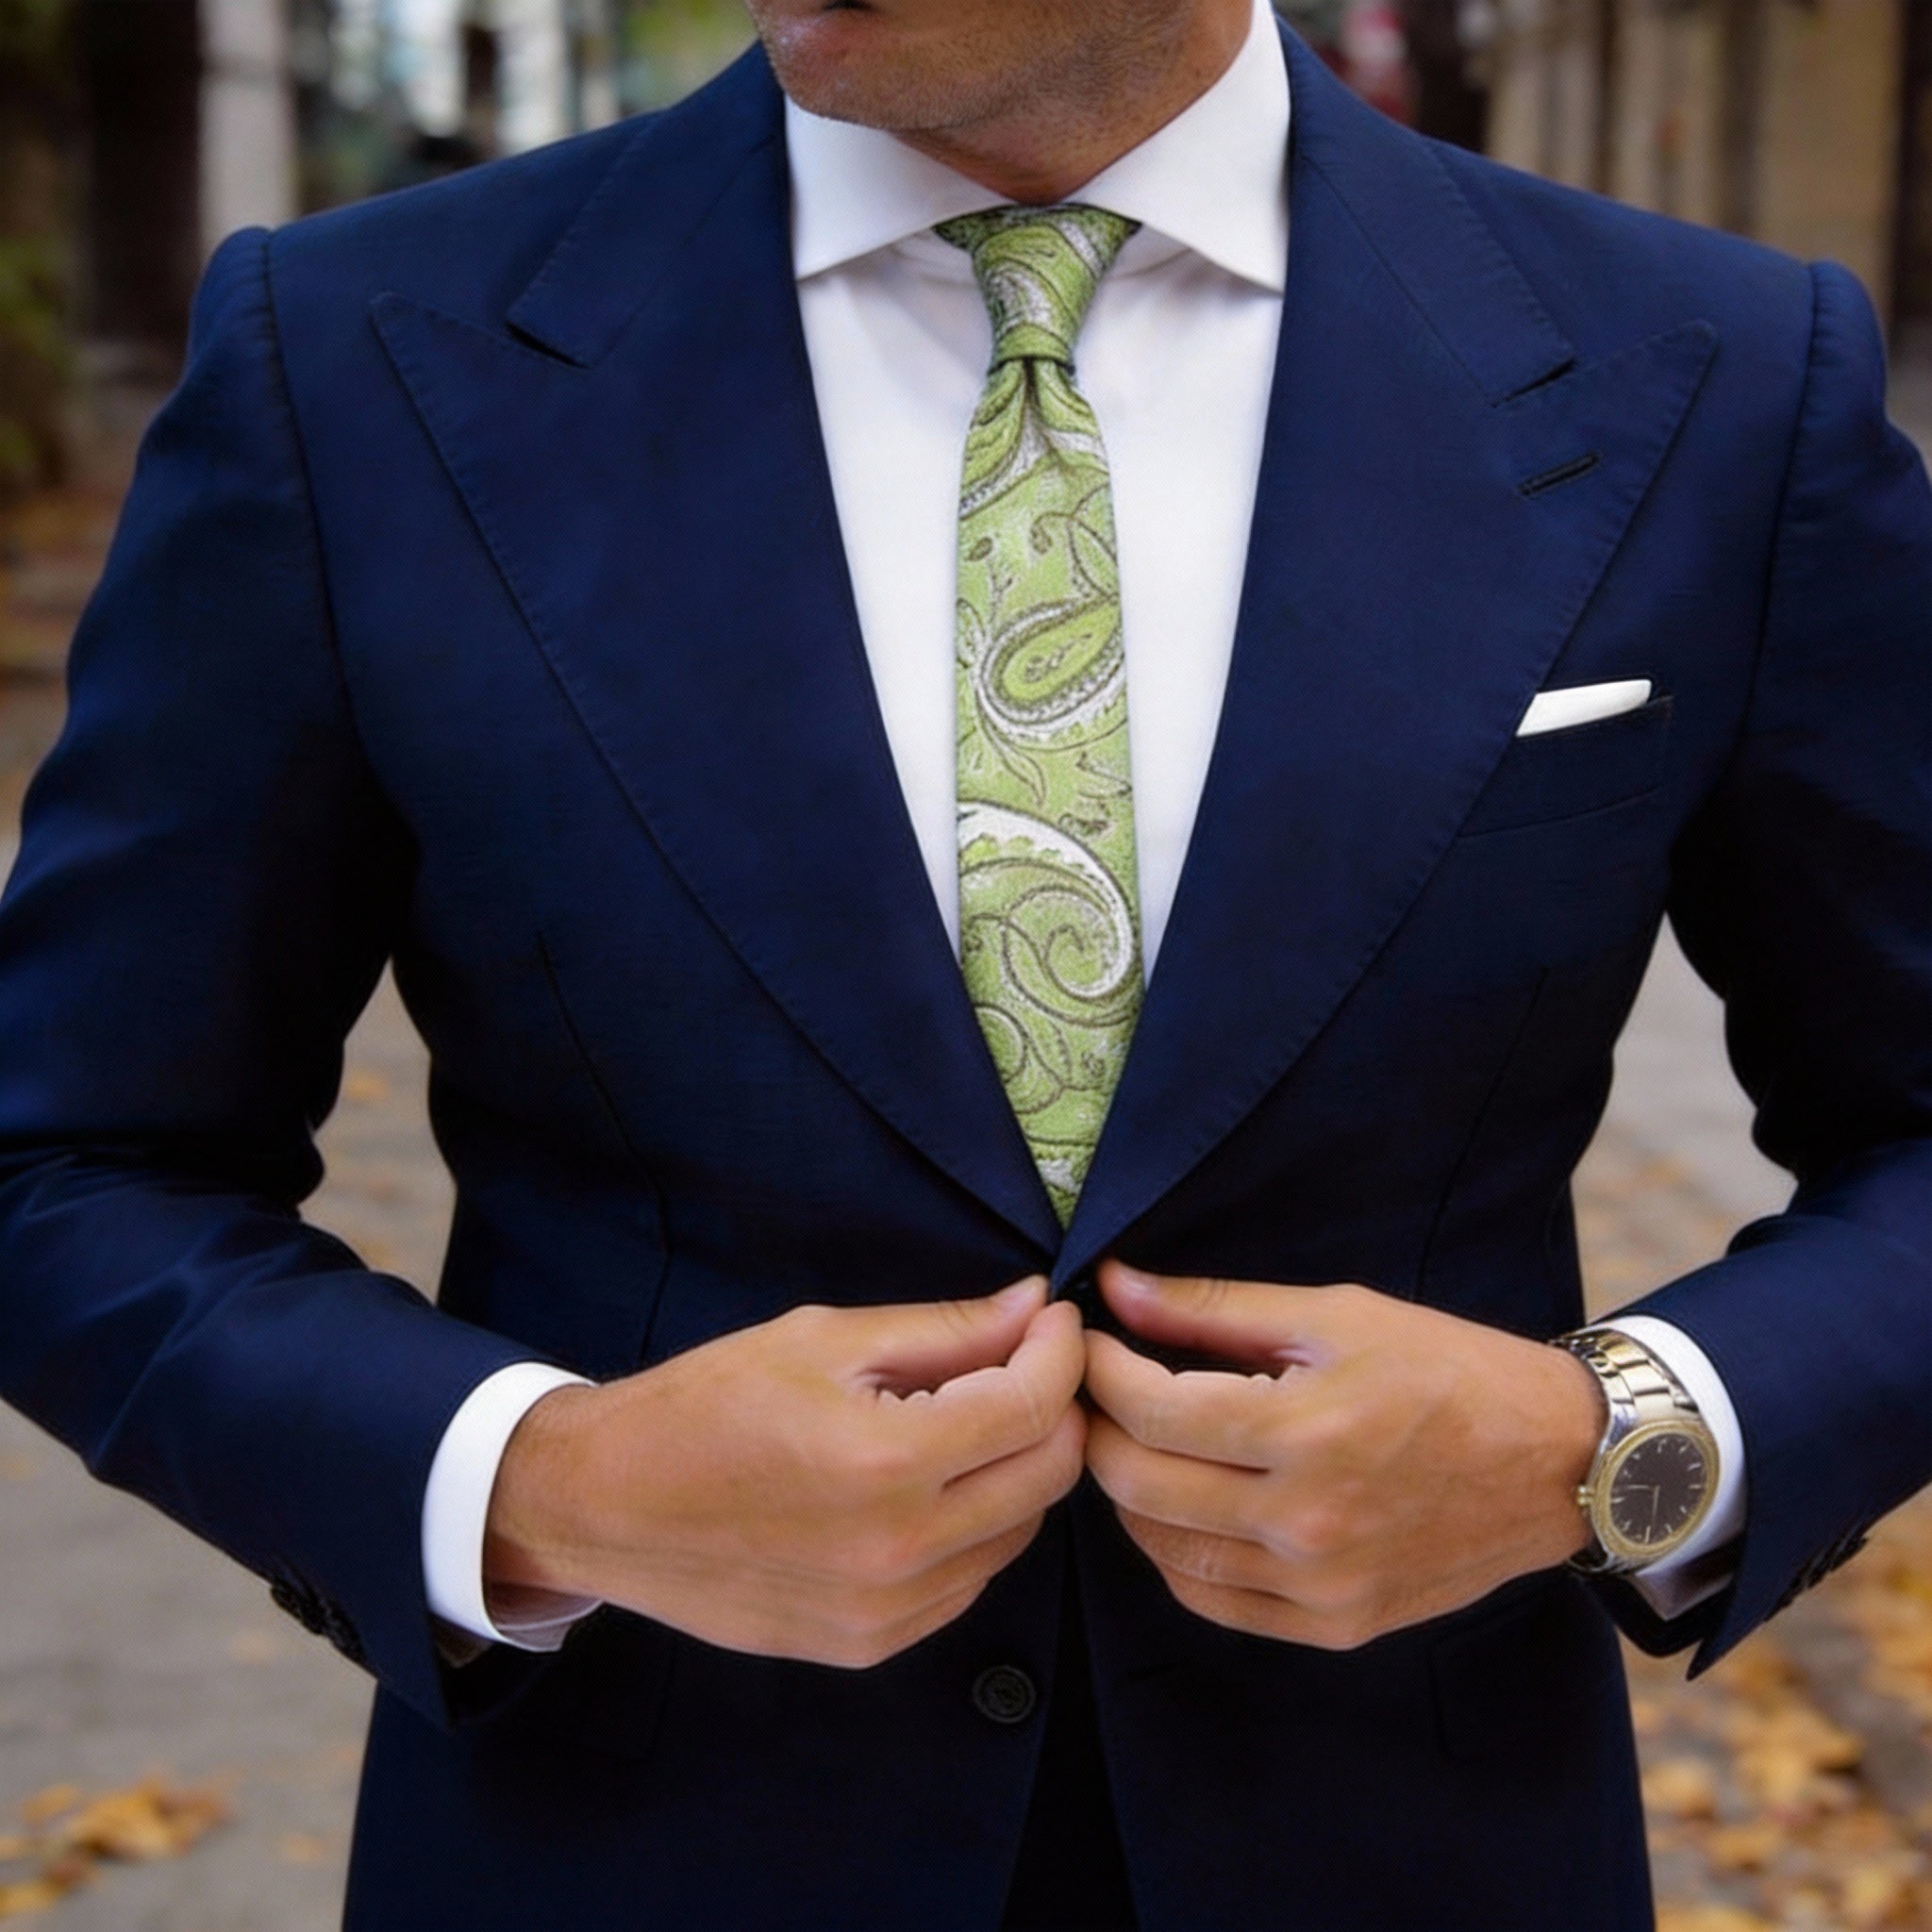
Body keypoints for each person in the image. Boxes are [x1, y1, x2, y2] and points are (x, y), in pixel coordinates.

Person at [0, 0, 1925, 1924]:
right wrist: (541, 1483)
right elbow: (71, 1158)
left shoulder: (1717, 377)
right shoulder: (350, 359)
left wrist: (1613, 1446)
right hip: (627, 1847)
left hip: (1404, 1848)